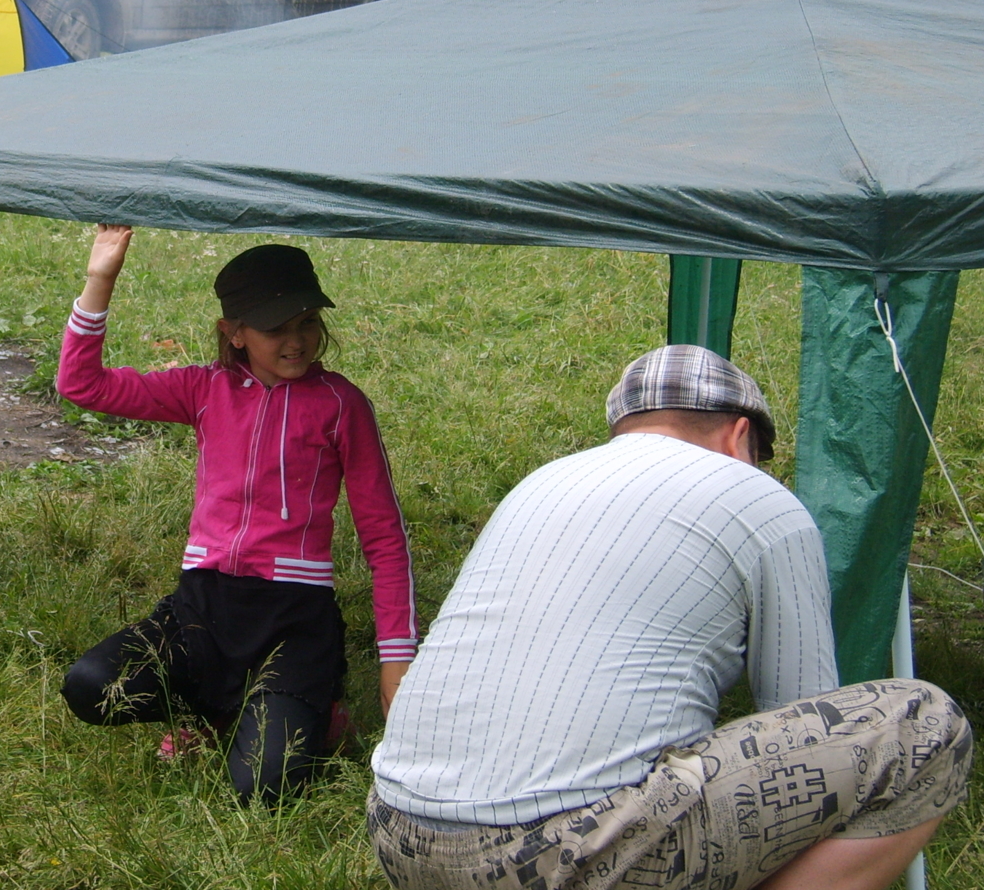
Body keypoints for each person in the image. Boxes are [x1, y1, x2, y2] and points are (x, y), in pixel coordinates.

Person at [369, 344, 972, 890]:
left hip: (400, 833)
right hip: (564, 856)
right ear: (740, 438)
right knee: (924, 725)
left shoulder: (539, 483)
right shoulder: (759, 497)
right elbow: (803, 720)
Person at [58, 226, 417, 804]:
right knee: (91, 687)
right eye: (277, 328)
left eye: (307, 322)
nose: (297, 341)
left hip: (292, 624)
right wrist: (101, 279)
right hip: (202, 610)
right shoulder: (203, 389)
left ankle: (317, 713)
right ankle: (214, 710)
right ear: (236, 334)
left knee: (263, 788)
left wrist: (396, 659)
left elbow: (384, 539)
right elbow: (81, 385)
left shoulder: (342, 405)